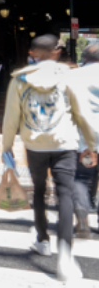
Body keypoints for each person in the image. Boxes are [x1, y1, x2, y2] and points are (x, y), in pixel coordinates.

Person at [2, 34, 99, 282]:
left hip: (35, 145)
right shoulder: (68, 77)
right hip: (64, 143)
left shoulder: (20, 80)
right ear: (55, 52)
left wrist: (7, 145)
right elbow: (81, 113)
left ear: (33, 53)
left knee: (39, 190)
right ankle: (65, 258)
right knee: (64, 193)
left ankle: (43, 240)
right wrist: (90, 143)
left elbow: (12, 116)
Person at [67, 41, 99, 238]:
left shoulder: (73, 76)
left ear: (84, 57)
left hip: (84, 135)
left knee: (82, 176)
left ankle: (81, 209)